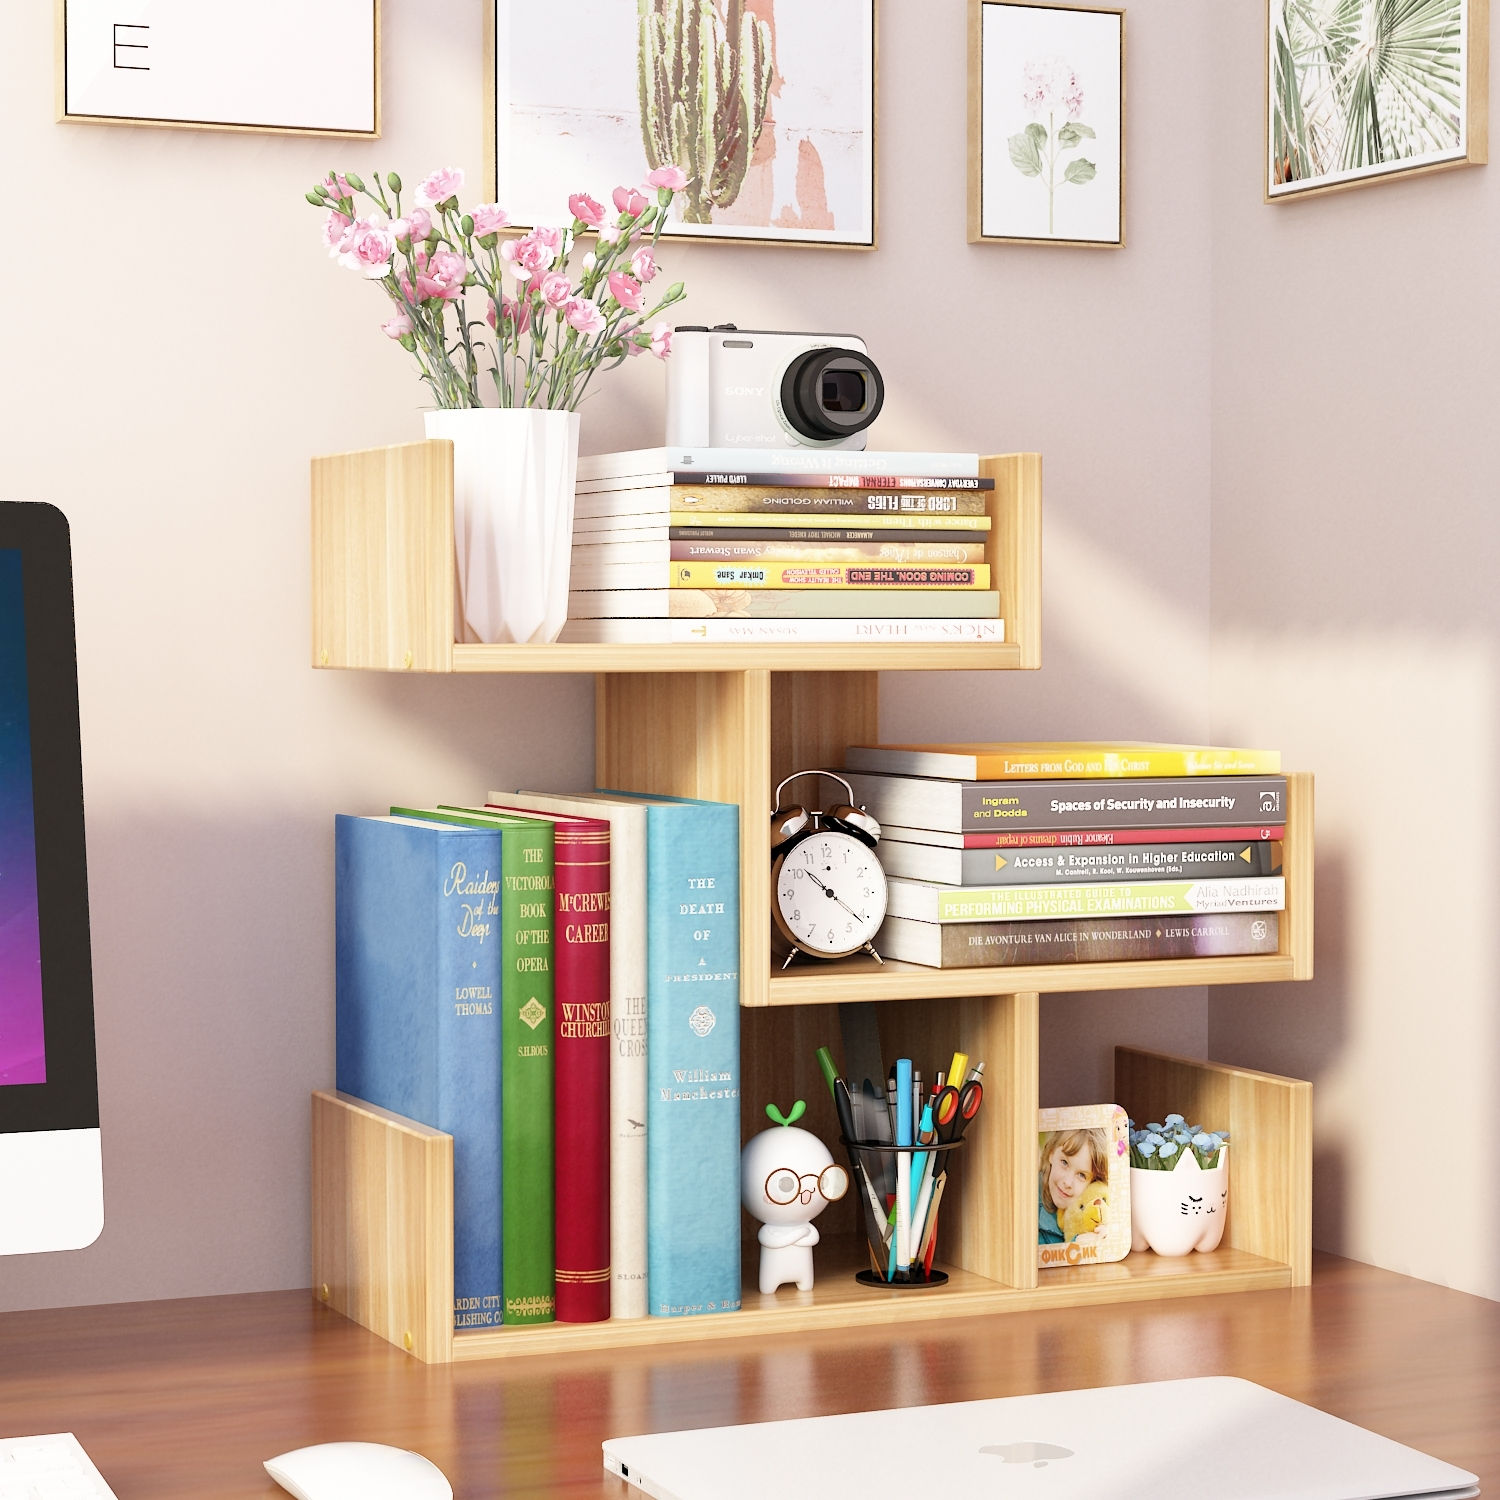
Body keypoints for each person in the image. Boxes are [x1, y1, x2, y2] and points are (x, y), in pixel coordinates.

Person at [1038, 1127, 1110, 1245]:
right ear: (1051, 1152)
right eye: (1064, 1162)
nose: (1067, 1182)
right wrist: (1076, 1244)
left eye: (1081, 1175)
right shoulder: (1029, 1204)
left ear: (1094, 1183)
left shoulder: (1097, 1209)